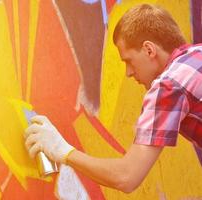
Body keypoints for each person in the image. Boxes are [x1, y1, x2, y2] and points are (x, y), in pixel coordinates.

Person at [24, 4, 202, 193]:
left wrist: (64, 151)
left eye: (128, 61)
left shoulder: (168, 87)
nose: (128, 73)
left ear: (149, 50)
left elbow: (126, 177)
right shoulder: (197, 54)